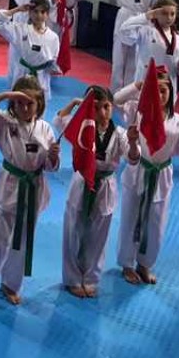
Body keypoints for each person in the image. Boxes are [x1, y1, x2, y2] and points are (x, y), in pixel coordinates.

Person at [0, 77, 60, 306]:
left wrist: (53, 157)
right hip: (10, 185)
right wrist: (6, 95)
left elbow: (49, 167)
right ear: (13, 103)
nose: (25, 108)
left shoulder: (45, 129)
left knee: (23, 239)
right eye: (20, 103)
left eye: (30, 103)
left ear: (39, 104)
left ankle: (11, 284)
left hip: (33, 187)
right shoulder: (4, 122)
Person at [52, 86, 139, 297]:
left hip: (105, 185)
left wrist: (133, 142)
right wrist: (75, 104)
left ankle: (91, 278)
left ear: (112, 107)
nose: (102, 112)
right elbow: (59, 120)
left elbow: (133, 158)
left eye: (106, 107)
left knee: (99, 234)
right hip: (82, 182)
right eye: (96, 107)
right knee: (73, 230)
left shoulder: (119, 133)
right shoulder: (83, 126)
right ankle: (72, 278)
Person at [114, 68, 179, 285]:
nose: (159, 95)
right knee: (130, 217)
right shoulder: (137, 111)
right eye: (155, 90)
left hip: (161, 174)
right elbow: (116, 99)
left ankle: (145, 263)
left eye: (164, 90)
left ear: (171, 92)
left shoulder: (177, 120)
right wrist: (138, 85)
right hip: (138, 169)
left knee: (156, 222)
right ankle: (127, 264)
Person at [99, 0, 159, 92]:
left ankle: (128, 91)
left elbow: (157, 2)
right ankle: (115, 90)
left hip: (141, 20)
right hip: (124, 19)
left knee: (134, 59)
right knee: (119, 58)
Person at [0, 0, 55, 86]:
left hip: (39, 22)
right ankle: (14, 85)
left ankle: (34, 85)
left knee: (36, 52)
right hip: (22, 20)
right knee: (16, 55)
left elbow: (49, 5)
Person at [0, 0, 61, 101]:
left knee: (39, 106)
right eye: (35, 11)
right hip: (22, 74)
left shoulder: (53, 37)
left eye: (43, 12)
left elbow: (53, 59)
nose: (39, 15)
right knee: (18, 104)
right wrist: (17, 9)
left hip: (41, 77)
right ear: (29, 13)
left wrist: (53, 68)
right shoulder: (21, 30)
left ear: (47, 14)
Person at [117, 0, 179, 86]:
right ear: (156, 13)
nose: (169, 18)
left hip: (168, 85)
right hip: (145, 81)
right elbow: (123, 31)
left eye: (172, 14)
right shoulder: (146, 31)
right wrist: (147, 16)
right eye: (164, 13)